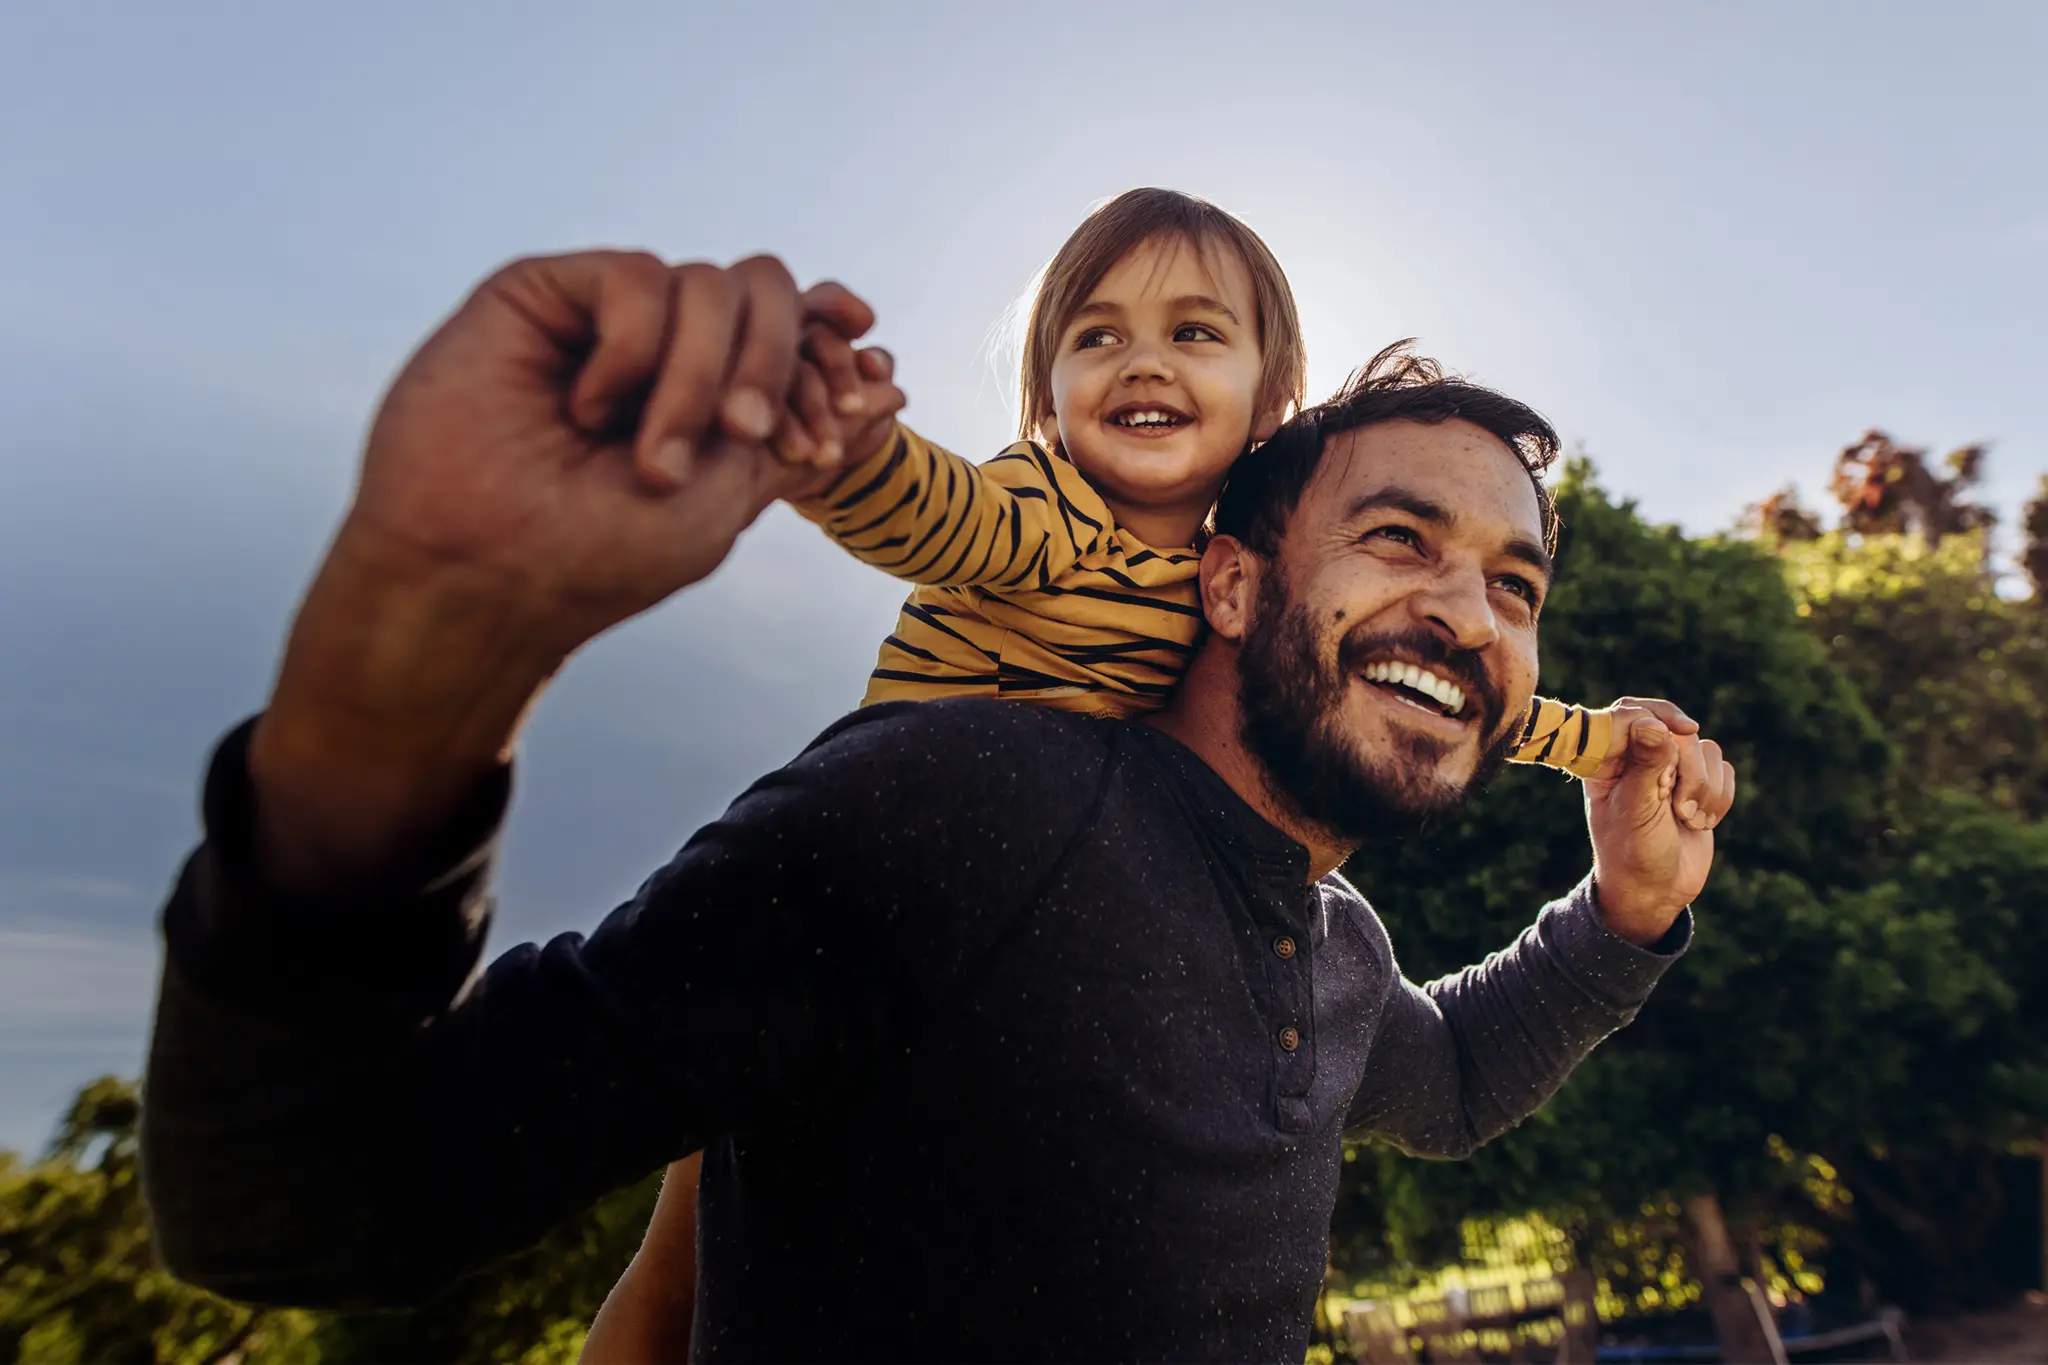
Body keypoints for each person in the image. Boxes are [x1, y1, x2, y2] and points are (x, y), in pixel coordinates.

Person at [139, 248, 1735, 1363]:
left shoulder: (1331, 947)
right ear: (1233, 583)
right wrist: (405, 649)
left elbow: (1448, 1083)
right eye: (1398, 538)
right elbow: (313, 1200)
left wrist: (1629, 912)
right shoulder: (969, 804)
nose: (1469, 611)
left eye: (1513, 583)